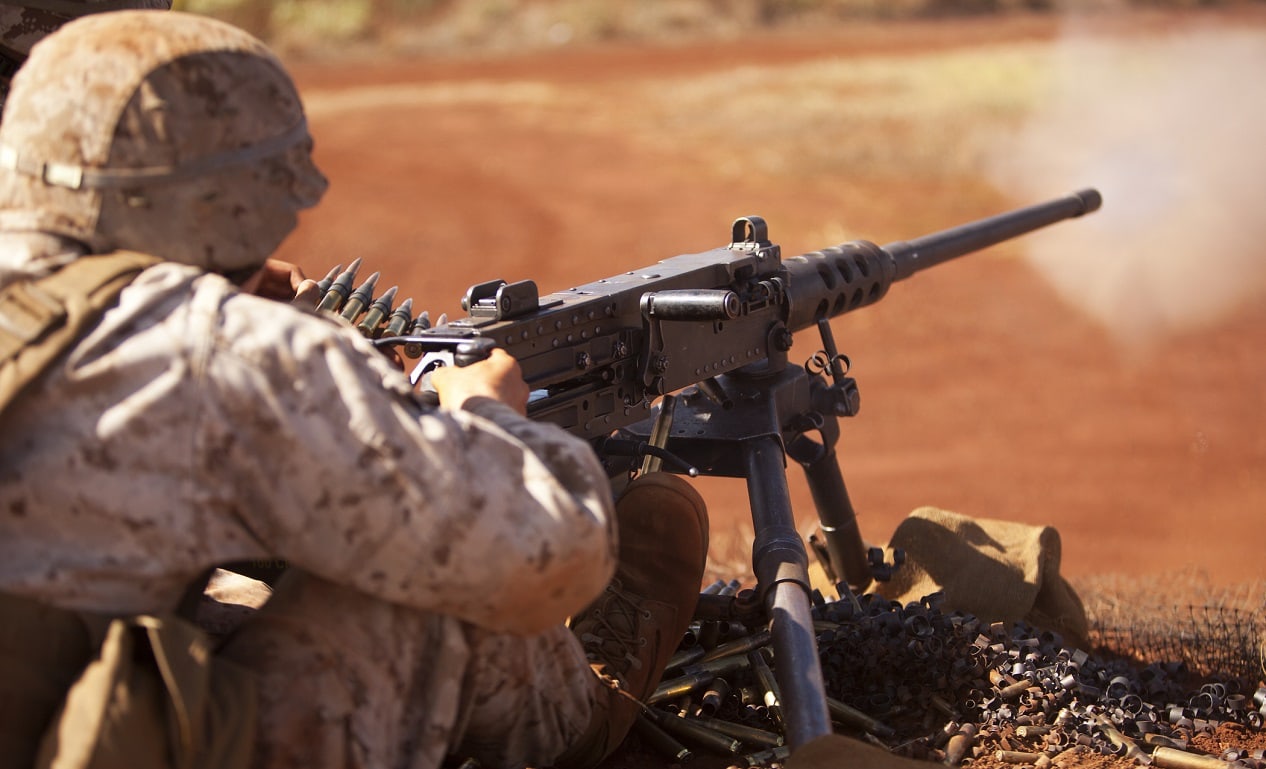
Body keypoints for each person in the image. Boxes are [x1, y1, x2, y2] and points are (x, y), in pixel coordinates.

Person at [0, 10, 708, 769]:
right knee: (431, 578)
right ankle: (585, 716)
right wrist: (487, 417)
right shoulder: (223, 352)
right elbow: (554, 553)